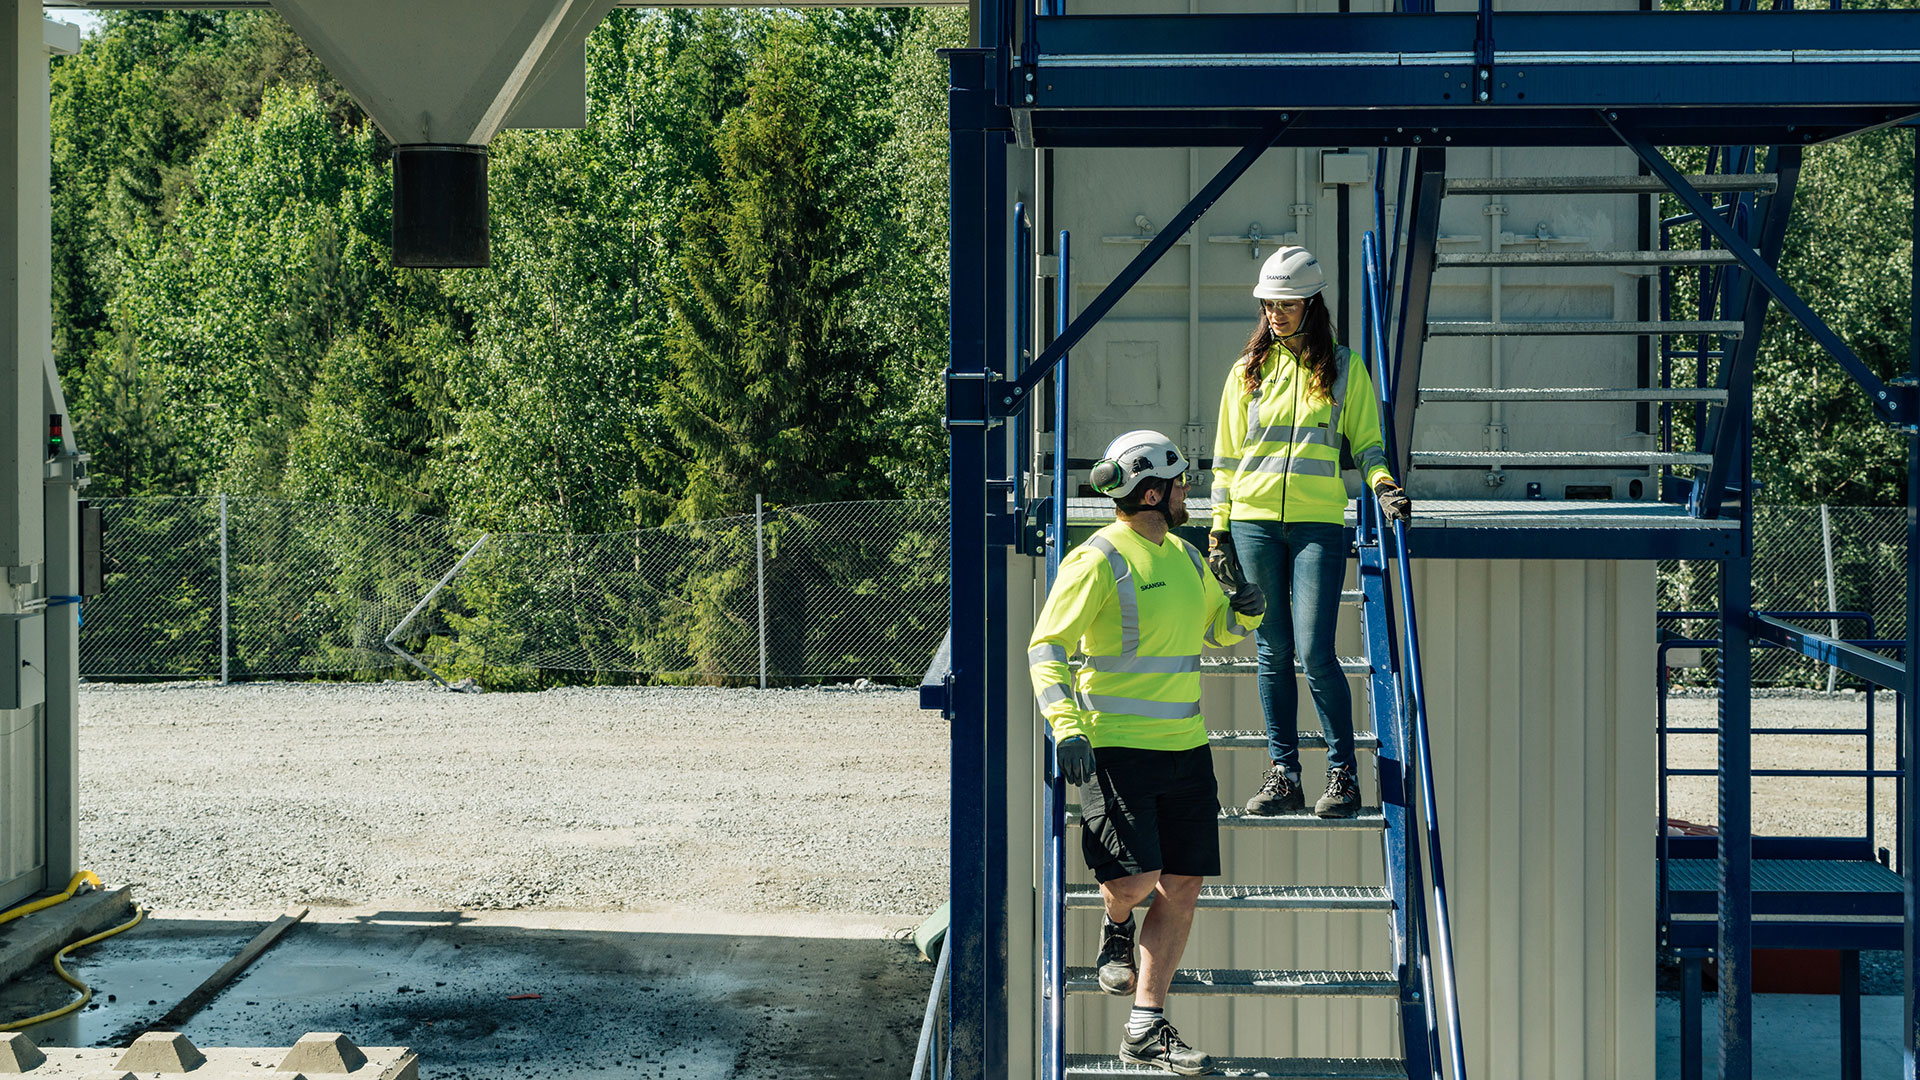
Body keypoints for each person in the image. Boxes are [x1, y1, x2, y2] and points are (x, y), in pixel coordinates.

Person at [1027, 429, 1266, 1076]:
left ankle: (1145, 1026)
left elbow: (1215, 631)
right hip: (1116, 747)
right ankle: (1116, 925)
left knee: (1182, 884)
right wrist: (1065, 727)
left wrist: (1246, 610)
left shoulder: (1188, 558)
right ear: (1154, 490)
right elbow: (1046, 647)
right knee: (1134, 880)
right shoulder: (1098, 560)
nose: (1191, 491)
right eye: (1182, 481)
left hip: (1187, 749)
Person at [1207, 246, 1411, 820]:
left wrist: (1383, 486)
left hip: (1318, 522)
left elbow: (1368, 444)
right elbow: (1225, 459)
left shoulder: (1346, 369)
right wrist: (1219, 529)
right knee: (1271, 650)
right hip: (1251, 521)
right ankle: (1284, 773)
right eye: (1269, 302)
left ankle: (1342, 775)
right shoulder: (1246, 371)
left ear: (1312, 303)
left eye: (1288, 303)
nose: (1276, 312)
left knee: (1315, 651)